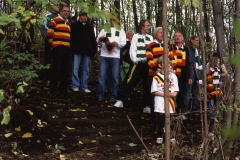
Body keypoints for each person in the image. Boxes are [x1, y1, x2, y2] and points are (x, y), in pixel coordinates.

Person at [114, 19, 153, 108]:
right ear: (142, 26)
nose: (149, 27)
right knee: (131, 81)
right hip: (138, 63)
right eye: (147, 25)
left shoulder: (150, 37)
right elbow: (133, 49)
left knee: (147, 84)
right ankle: (121, 100)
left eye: (149, 25)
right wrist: (135, 60)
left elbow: (151, 50)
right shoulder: (135, 36)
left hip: (148, 64)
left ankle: (147, 105)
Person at [96, 18, 126, 102]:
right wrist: (101, 39)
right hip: (104, 55)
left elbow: (123, 43)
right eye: (111, 20)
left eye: (115, 20)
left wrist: (117, 44)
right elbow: (97, 40)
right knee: (102, 75)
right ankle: (100, 95)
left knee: (115, 77)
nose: (113, 22)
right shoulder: (104, 29)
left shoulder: (121, 30)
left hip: (115, 56)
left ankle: (113, 96)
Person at [146, 27, 173, 117]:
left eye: (163, 33)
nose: (162, 34)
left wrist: (171, 69)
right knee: (154, 96)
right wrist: (157, 70)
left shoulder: (167, 46)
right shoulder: (150, 45)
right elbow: (149, 60)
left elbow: (171, 59)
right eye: (160, 32)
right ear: (155, 34)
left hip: (166, 75)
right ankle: (154, 118)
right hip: (154, 74)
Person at [151, 56, 179, 144]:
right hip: (159, 101)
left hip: (170, 102)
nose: (168, 64)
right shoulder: (156, 77)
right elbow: (154, 91)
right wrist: (166, 94)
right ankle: (159, 135)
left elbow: (175, 92)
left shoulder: (173, 76)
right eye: (165, 63)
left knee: (171, 119)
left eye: (169, 63)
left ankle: (171, 136)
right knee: (160, 119)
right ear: (160, 65)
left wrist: (169, 95)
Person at [47, 5, 71, 95]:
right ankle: (53, 88)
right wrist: (54, 44)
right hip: (58, 48)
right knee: (56, 68)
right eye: (64, 11)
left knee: (65, 69)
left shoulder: (68, 23)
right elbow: (49, 35)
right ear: (60, 11)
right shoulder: (55, 21)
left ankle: (63, 88)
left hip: (67, 48)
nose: (66, 12)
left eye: (67, 11)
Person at [71, 11, 96, 93]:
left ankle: (84, 86)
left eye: (86, 16)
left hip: (87, 51)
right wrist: (72, 50)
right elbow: (72, 39)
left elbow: (93, 40)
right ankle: (75, 85)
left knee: (85, 69)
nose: (84, 17)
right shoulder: (75, 25)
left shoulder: (90, 26)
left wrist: (93, 51)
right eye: (83, 16)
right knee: (75, 68)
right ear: (80, 17)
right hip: (77, 51)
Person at [171, 32, 191, 112]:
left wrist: (190, 76)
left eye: (179, 36)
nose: (177, 37)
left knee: (182, 93)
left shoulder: (186, 49)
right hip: (172, 74)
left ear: (182, 38)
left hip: (183, 75)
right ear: (173, 38)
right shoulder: (170, 48)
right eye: (175, 36)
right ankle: (173, 109)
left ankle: (181, 110)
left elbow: (189, 63)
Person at [40, 3, 59, 87]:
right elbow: (43, 29)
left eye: (59, 5)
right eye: (56, 5)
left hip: (59, 42)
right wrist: (48, 40)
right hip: (49, 42)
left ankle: (56, 79)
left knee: (57, 60)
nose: (58, 6)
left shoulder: (60, 16)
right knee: (48, 60)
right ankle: (47, 79)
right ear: (52, 5)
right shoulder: (46, 15)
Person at [182, 36, 201, 112]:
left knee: (195, 91)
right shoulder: (189, 50)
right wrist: (190, 75)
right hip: (191, 73)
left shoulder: (195, 50)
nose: (197, 42)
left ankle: (195, 107)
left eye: (198, 40)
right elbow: (190, 63)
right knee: (188, 91)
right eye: (196, 40)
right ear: (191, 40)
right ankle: (185, 107)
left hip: (195, 73)